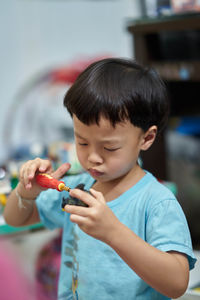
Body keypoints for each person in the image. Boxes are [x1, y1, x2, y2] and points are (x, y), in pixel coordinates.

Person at [4, 58, 196, 300]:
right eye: (82, 142)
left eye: (109, 148)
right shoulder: (75, 189)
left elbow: (177, 283)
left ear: (146, 139)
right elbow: (15, 219)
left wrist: (112, 232)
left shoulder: (156, 202)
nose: (93, 157)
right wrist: (26, 193)